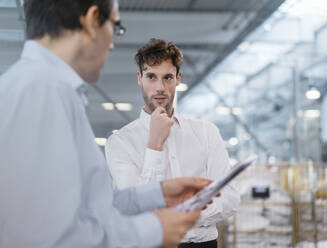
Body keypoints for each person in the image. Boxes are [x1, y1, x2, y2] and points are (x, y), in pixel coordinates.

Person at [0, 1, 213, 247]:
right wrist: (155, 230)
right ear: (92, 20)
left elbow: (81, 207)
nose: (112, 45)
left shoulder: (43, 87)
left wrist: (156, 194)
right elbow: (53, 237)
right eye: (115, 27)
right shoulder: (40, 93)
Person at [105, 39, 240, 248]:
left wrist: (177, 214)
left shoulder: (206, 133)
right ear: (140, 78)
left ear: (178, 79)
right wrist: (154, 144)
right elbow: (134, 208)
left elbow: (230, 198)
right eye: (151, 77)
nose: (160, 87)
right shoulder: (120, 143)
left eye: (167, 77)